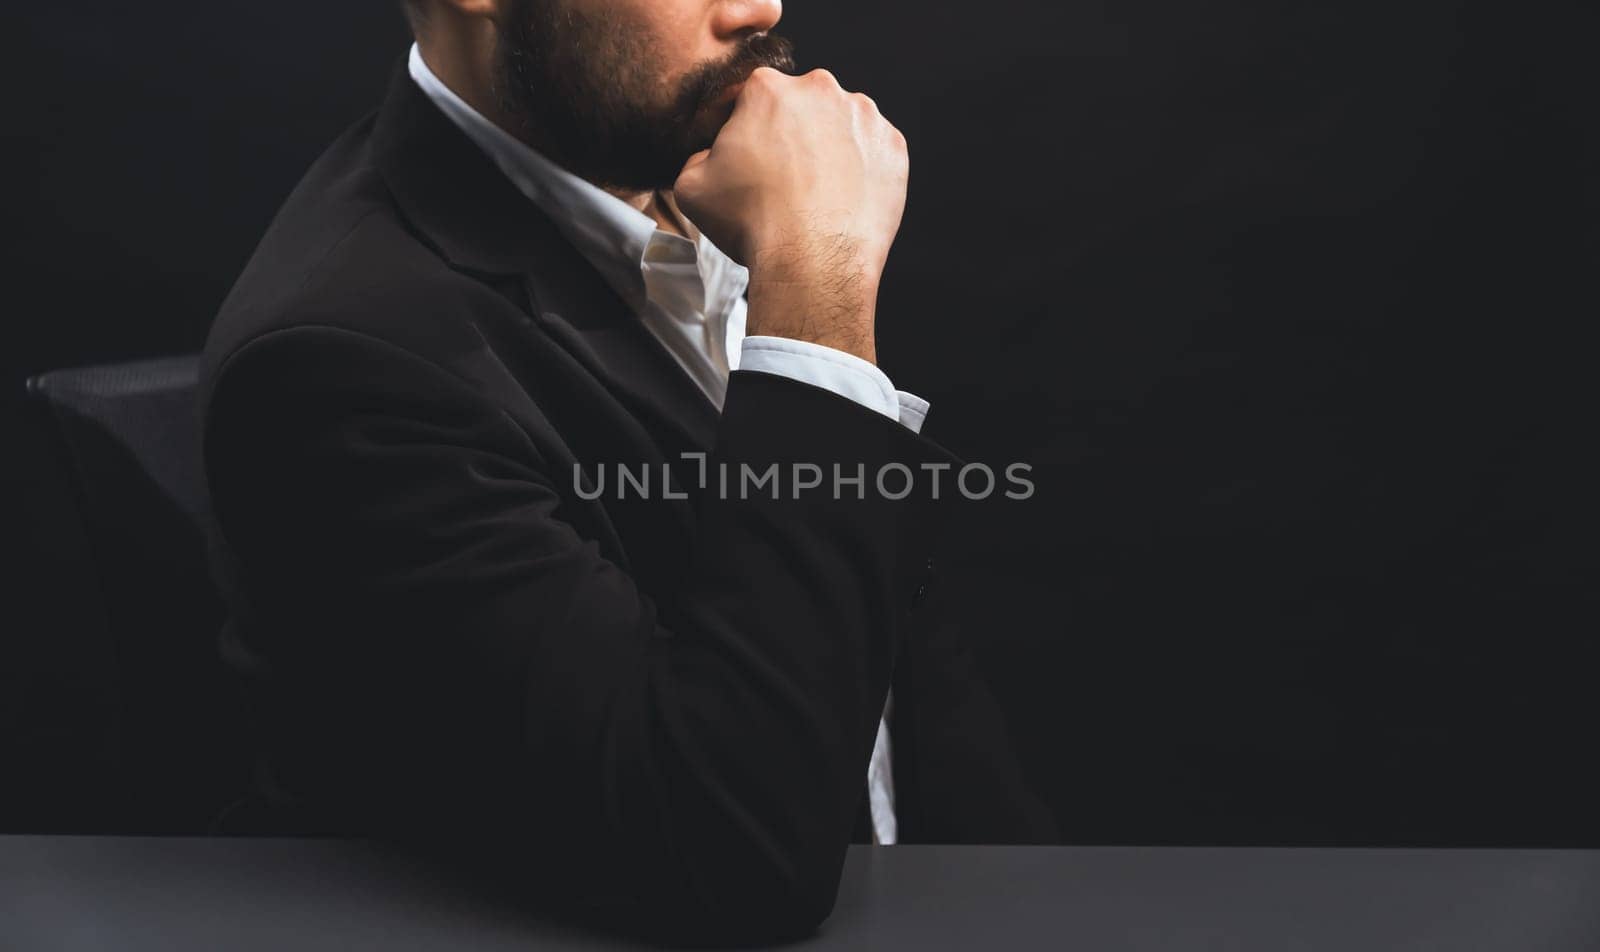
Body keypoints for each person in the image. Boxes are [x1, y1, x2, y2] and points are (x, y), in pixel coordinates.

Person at [200, 0, 1055, 942]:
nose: (760, 6)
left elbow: (889, 649)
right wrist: (820, 279)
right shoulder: (341, 363)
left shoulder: (719, 175)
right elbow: (731, 854)